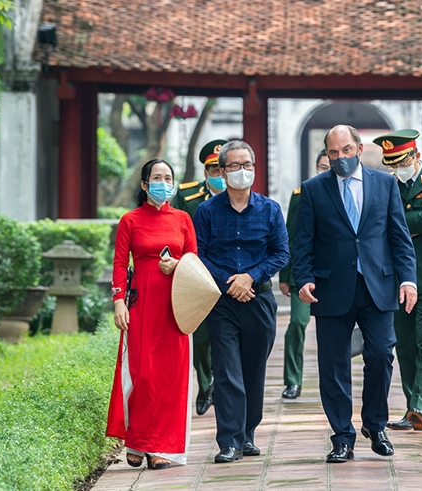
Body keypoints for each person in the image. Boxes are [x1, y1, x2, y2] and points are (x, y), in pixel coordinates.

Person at [293, 124, 418, 463]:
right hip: (331, 288)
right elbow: (303, 242)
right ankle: (342, 436)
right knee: (333, 365)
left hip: (378, 285)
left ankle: (375, 425)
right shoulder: (313, 189)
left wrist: (408, 280)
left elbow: (399, 237)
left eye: (346, 150)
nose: (340, 158)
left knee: (380, 355)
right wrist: (302, 277)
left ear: (359, 149)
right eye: (334, 153)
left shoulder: (384, 183)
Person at [193, 139, 289, 463]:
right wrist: (230, 282)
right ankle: (229, 442)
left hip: (259, 301)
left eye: (247, 165)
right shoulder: (206, 211)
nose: (241, 171)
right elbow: (199, 255)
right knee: (227, 370)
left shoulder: (270, 209)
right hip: (221, 304)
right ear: (221, 171)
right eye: (234, 166)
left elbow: (281, 253)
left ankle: (248, 434)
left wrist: (251, 276)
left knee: (252, 370)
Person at [107, 159, 196, 469]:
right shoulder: (130, 220)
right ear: (144, 185)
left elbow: (194, 260)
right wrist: (118, 301)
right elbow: (119, 265)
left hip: (176, 306)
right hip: (141, 304)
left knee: (171, 377)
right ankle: (137, 440)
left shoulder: (183, 219)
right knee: (142, 374)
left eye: (168, 177)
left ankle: (163, 449)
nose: (163, 182)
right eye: (156, 177)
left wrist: (179, 264)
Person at [371, 130, 422, 433]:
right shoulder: (387, 184)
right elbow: (376, 221)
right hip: (397, 277)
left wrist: (399, 225)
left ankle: (421, 407)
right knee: (405, 345)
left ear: (416, 156)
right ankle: (412, 406)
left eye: (401, 161)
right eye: (392, 163)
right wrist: (408, 226)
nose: (397, 168)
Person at [171, 138, 228, 416]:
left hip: (230, 277)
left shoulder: (240, 195)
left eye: (223, 169)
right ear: (206, 173)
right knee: (201, 337)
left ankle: (220, 384)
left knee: (227, 336)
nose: (219, 175)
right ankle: (205, 385)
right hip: (197, 276)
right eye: (213, 170)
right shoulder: (188, 196)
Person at [279, 149, 331, 400]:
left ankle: (331, 381)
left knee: (333, 330)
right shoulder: (302, 195)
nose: (328, 170)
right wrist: (285, 275)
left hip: (333, 276)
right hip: (305, 272)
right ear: (316, 167)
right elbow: (291, 236)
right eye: (323, 166)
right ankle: (292, 380)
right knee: (298, 323)